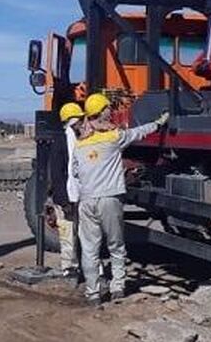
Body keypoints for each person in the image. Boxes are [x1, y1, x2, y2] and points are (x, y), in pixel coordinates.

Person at [72, 93, 169, 305]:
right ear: (103, 112)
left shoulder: (80, 145)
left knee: (89, 250)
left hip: (86, 201)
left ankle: (93, 293)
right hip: (109, 198)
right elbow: (138, 133)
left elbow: (76, 172)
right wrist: (158, 123)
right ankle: (118, 287)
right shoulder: (114, 138)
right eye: (108, 108)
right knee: (116, 245)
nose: (111, 111)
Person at [47, 101, 86, 279]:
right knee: (68, 234)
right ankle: (69, 267)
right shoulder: (61, 142)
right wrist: (63, 201)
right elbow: (57, 173)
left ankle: (85, 265)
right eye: (78, 120)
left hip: (82, 195)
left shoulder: (81, 140)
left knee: (85, 233)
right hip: (67, 198)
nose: (81, 123)